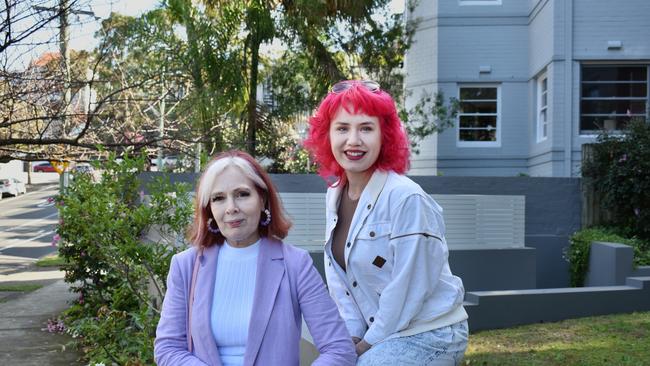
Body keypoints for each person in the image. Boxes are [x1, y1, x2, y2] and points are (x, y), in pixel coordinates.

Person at [304, 80, 469, 365]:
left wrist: (366, 344)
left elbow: (409, 288)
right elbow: (341, 283)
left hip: (430, 332)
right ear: (327, 136)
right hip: (379, 332)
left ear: (385, 136)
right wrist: (352, 338)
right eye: (342, 128)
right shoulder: (333, 196)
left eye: (366, 128)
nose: (353, 140)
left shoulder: (406, 198)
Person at [154, 150, 357, 366]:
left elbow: (339, 349)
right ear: (209, 209)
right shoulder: (185, 266)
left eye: (242, 194)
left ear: (262, 199)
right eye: (219, 198)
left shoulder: (296, 264)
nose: (231, 208)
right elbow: (168, 349)